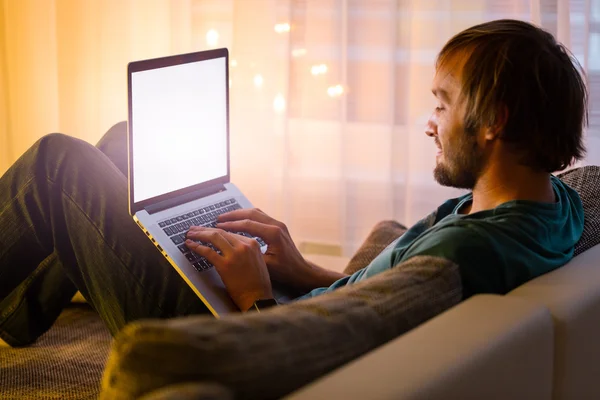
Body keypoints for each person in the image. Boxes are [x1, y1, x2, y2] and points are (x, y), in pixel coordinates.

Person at [0, 19, 587, 347]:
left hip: (243, 338)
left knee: (60, 164)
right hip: (294, 306)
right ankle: (19, 310)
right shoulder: (552, 204)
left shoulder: (471, 251)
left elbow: (311, 353)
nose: (429, 123)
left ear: (495, 121)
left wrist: (255, 294)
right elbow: (392, 297)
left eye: (443, 105)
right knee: (128, 143)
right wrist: (298, 269)